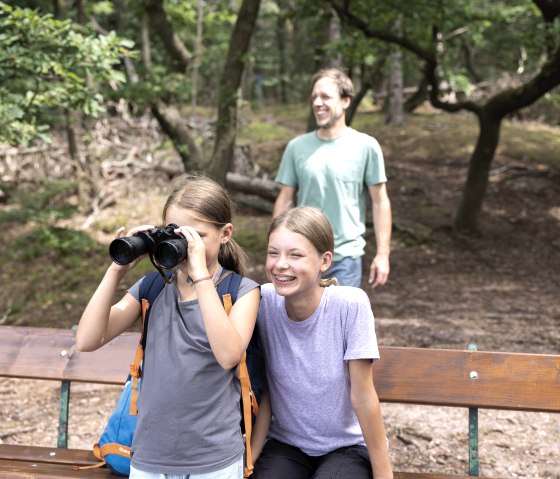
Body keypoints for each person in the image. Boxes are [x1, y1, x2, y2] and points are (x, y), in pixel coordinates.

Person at [75, 173, 260, 479]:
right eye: (176, 235)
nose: (186, 246)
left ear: (225, 233)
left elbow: (228, 355)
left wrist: (201, 277)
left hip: (212, 461)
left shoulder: (241, 292)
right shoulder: (154, 287)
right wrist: (116, 270)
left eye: (197, 236)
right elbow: (87, 339)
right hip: (149, 459)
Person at [250, 207, 393, 479]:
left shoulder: (350, 305)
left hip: (346, 447)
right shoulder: (262, 301)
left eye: (295, 255)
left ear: (325, 260)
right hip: (287, 445)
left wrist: (384, 475)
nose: (280, 264)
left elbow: (363, 397)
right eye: (273, 253)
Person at [273, 68, 392, 290]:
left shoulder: (366, 146)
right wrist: (276, 251)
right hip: (302, 255)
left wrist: (383, 254)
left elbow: (380, 202)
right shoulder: (296, 147)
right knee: (302, 323)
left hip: (345, 258)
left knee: (338, 323)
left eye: (325, 97)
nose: (318, 103)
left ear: (346, 100)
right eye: (314, 97)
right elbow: (285, 199)